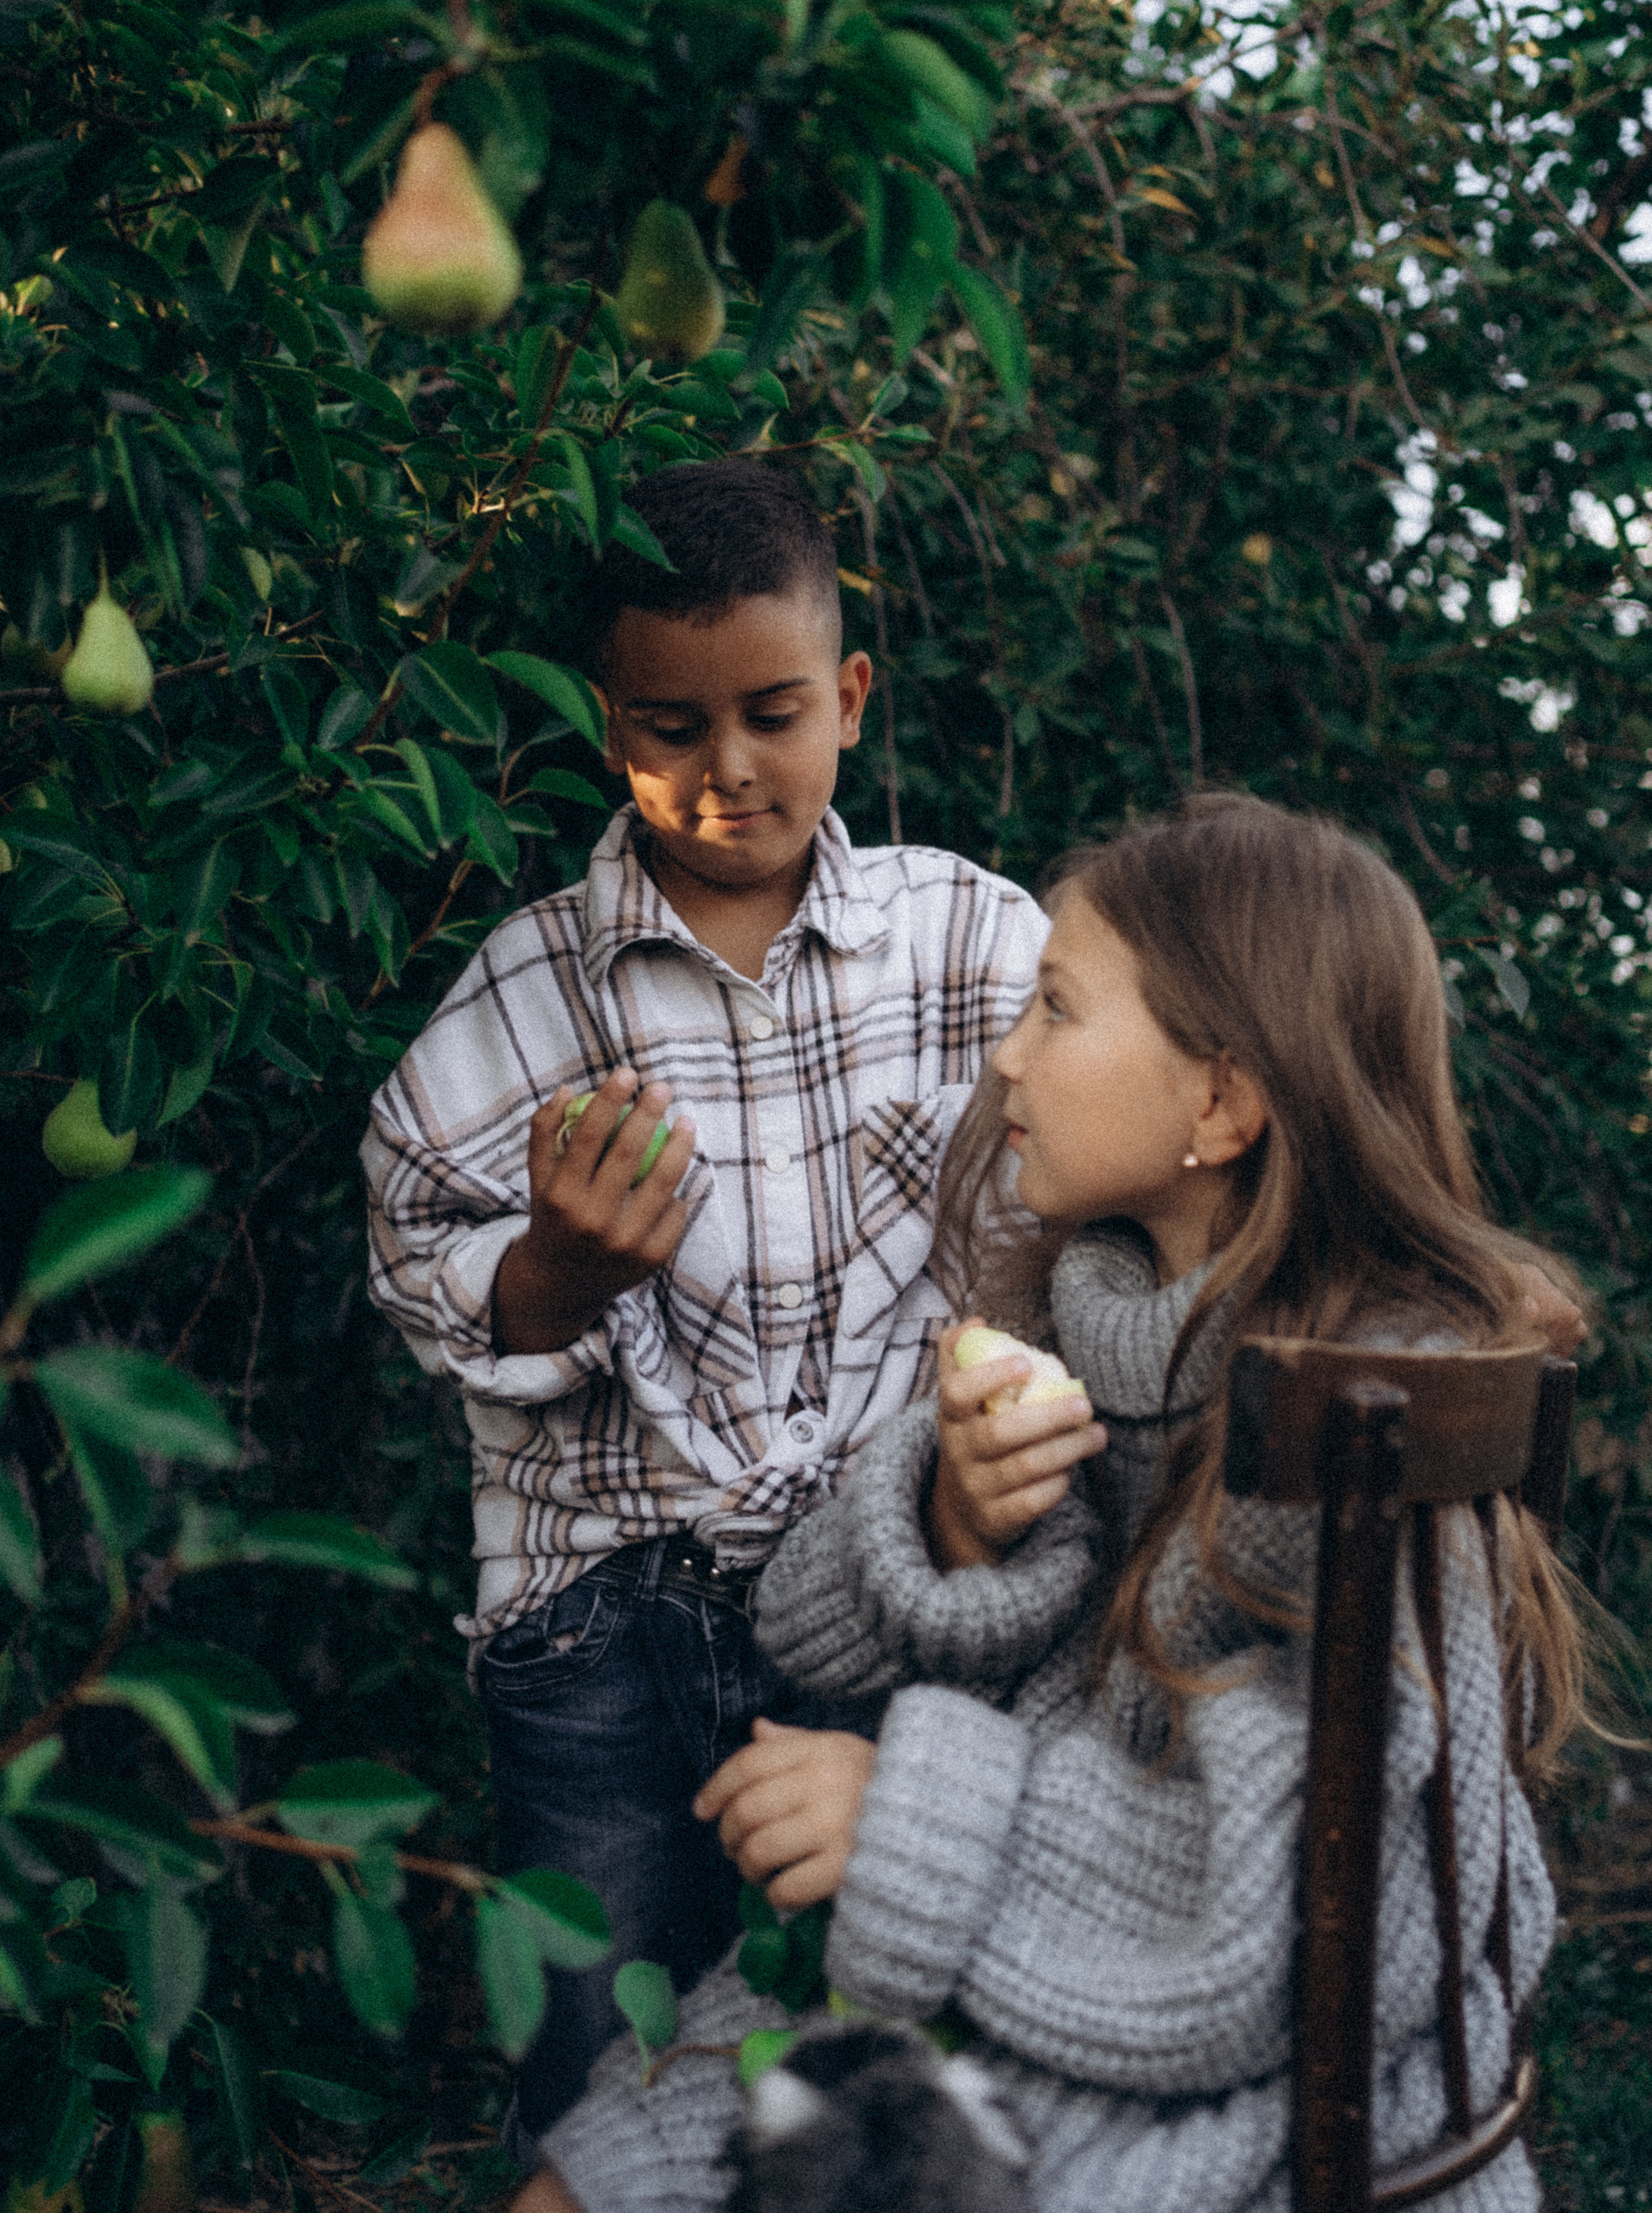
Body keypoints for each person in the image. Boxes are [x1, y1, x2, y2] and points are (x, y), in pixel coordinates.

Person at [512, 793, 1586, 2213]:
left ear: (1221, 1103)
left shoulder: (1365, 1410)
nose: (1007, 1055)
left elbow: (1348, 1884)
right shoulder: (1090, 1325)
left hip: (1209, 2060)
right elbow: (800, 1623)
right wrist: (956, 1522)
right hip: (990, 1963)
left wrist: (908, 1817)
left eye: (1056, 1008)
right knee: (581, 2180)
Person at [361, 458, 1046, 2157]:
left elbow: (1064, 1208)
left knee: (862, 2039)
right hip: (597, 1620)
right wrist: (554, 1271)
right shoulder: (527, 999)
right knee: (599, 2056)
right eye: (672, 726)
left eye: (773, 714)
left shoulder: (969, 946)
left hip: (882, 1593)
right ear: (609, 727)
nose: (728, 766)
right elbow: (415, 1245)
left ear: (850, 699)